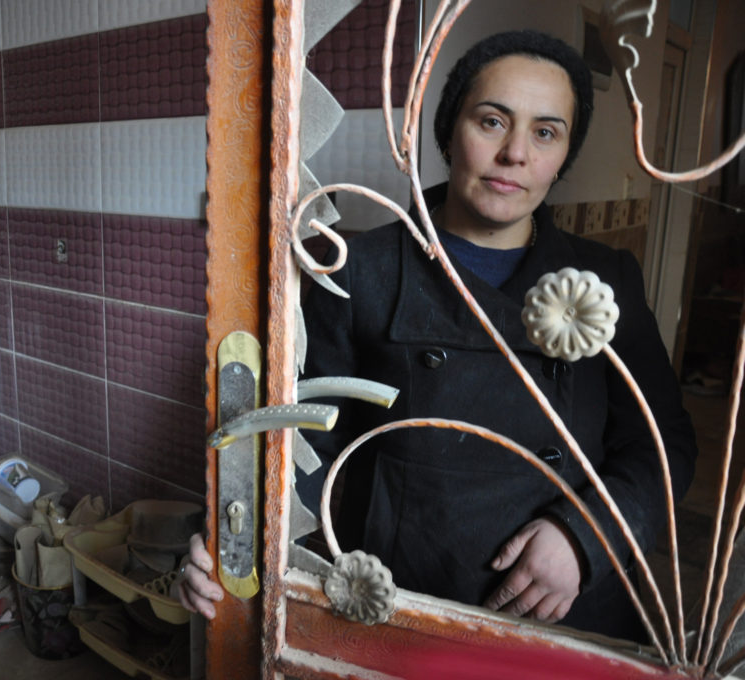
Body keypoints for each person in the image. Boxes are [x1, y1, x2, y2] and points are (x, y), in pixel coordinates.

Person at [177, 30, 697, 642]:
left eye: (546, 132)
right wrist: (231, 539)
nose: (515, 154)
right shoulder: (360, 269)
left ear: (564, 157)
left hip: (568, 611)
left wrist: (586, 539)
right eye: (492, 121)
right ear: (449, 128)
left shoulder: (603, 283)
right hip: (404, 603)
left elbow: (664, 450)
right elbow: (297, 443)